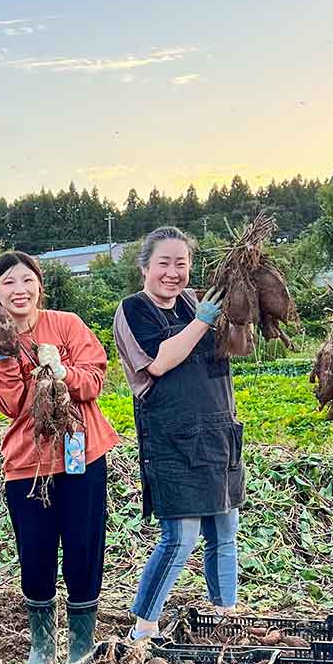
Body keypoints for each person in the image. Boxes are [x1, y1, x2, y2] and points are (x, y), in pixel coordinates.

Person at [0, 251, 119, 664]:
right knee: (36, 553)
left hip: (82, 456)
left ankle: (81, 646)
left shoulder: (67, 324)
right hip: (28, 464)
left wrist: (61, 372)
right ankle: (41, 647)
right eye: (8, 283)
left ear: (40, 285)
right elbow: (11, 405)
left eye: (26, 281)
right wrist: (6, 358)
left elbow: (94, 380)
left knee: (83, 549)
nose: (19, 290)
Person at [112, 226, 236, 639]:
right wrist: (202, 322)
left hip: (218, 431)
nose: (173, 272)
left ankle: (226, 619)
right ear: (144, 267)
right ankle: (144, 629)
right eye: (163, 263)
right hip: (172, 438)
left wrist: (242, 302)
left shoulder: (195, 302)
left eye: (181, 263)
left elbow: (237, 346)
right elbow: (161, 362)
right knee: (180, 536)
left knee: (224, 531)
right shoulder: (134, 309)